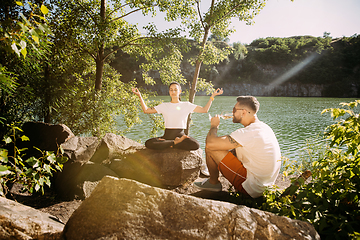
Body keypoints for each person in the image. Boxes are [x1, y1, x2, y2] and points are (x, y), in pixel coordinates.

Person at [194, 96, 281, 198]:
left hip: (253, 188)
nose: (232, 112)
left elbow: (210, 143)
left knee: (212, 148)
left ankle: (213, 183)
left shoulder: (249, 132)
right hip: (264, 185)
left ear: (244, 112)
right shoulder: (263, 127)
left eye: (234, 110)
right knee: (228, 147)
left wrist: (214, 126)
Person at [132, 82, 223, 151]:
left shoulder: (186, 105)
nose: (173, 92)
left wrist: (212, 96)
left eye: (175, 89)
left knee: (196, 145)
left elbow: (204, 110)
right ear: (169, 92)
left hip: (181, 135)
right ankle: (174, 143)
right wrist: (140, 96)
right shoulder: (164, 105)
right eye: (171, 90)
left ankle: (170, 144)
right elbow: (146, 110)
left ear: (180, 91)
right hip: (167, 135)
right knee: (148, 143)